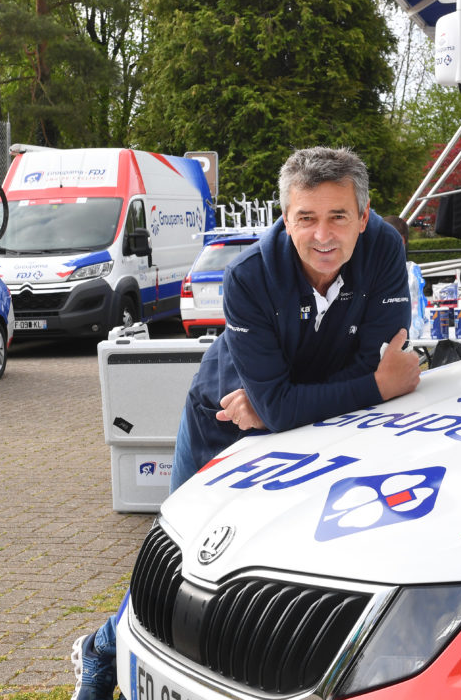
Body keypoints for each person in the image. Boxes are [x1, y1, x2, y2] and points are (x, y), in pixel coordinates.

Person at [71, 146, 422, 700]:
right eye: (306, 217)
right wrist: (374, 387)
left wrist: (290, 401)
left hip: (322, 424)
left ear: (364, 213)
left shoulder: (383, 248)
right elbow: (364, 381)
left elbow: (293, 400)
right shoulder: (249, 275)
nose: (323, 235)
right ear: (286, 217)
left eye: (338, 216)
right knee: (188, 556)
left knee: (296, 551)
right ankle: (103, 651)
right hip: (225, 420)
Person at [383, 214, 430, 339]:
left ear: (403, 241)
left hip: (405, 335)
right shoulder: (367, 268)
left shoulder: (410, 271)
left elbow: (416, 309)